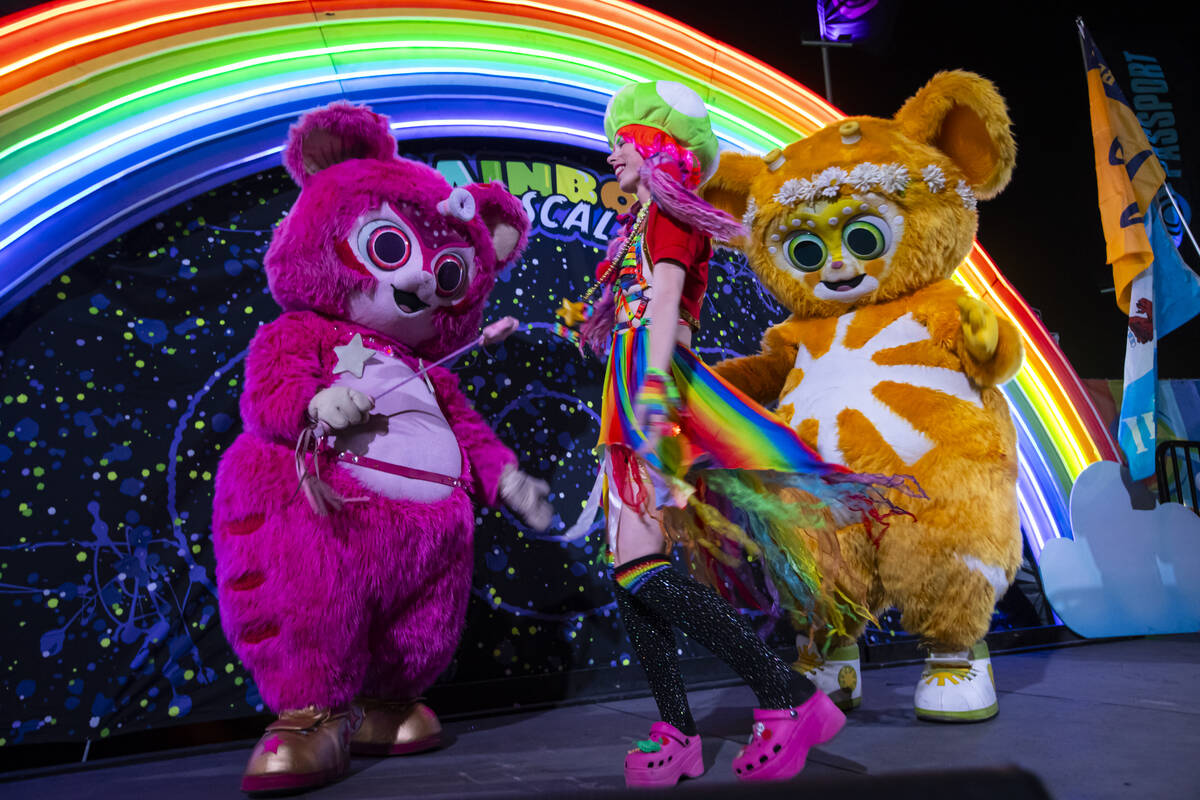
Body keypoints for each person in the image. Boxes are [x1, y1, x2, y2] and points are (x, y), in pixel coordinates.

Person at [571, 81, 907, 787]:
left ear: (656, 147)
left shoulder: (668, 214)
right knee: (633, 574)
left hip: (649, 381)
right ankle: (679, 729)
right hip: (629, 379)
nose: (613, 152)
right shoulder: (638, 223)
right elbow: (643, 303)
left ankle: (787, 695)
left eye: (624, 141)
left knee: (640, 567)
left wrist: (655, 390)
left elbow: (665, 302)